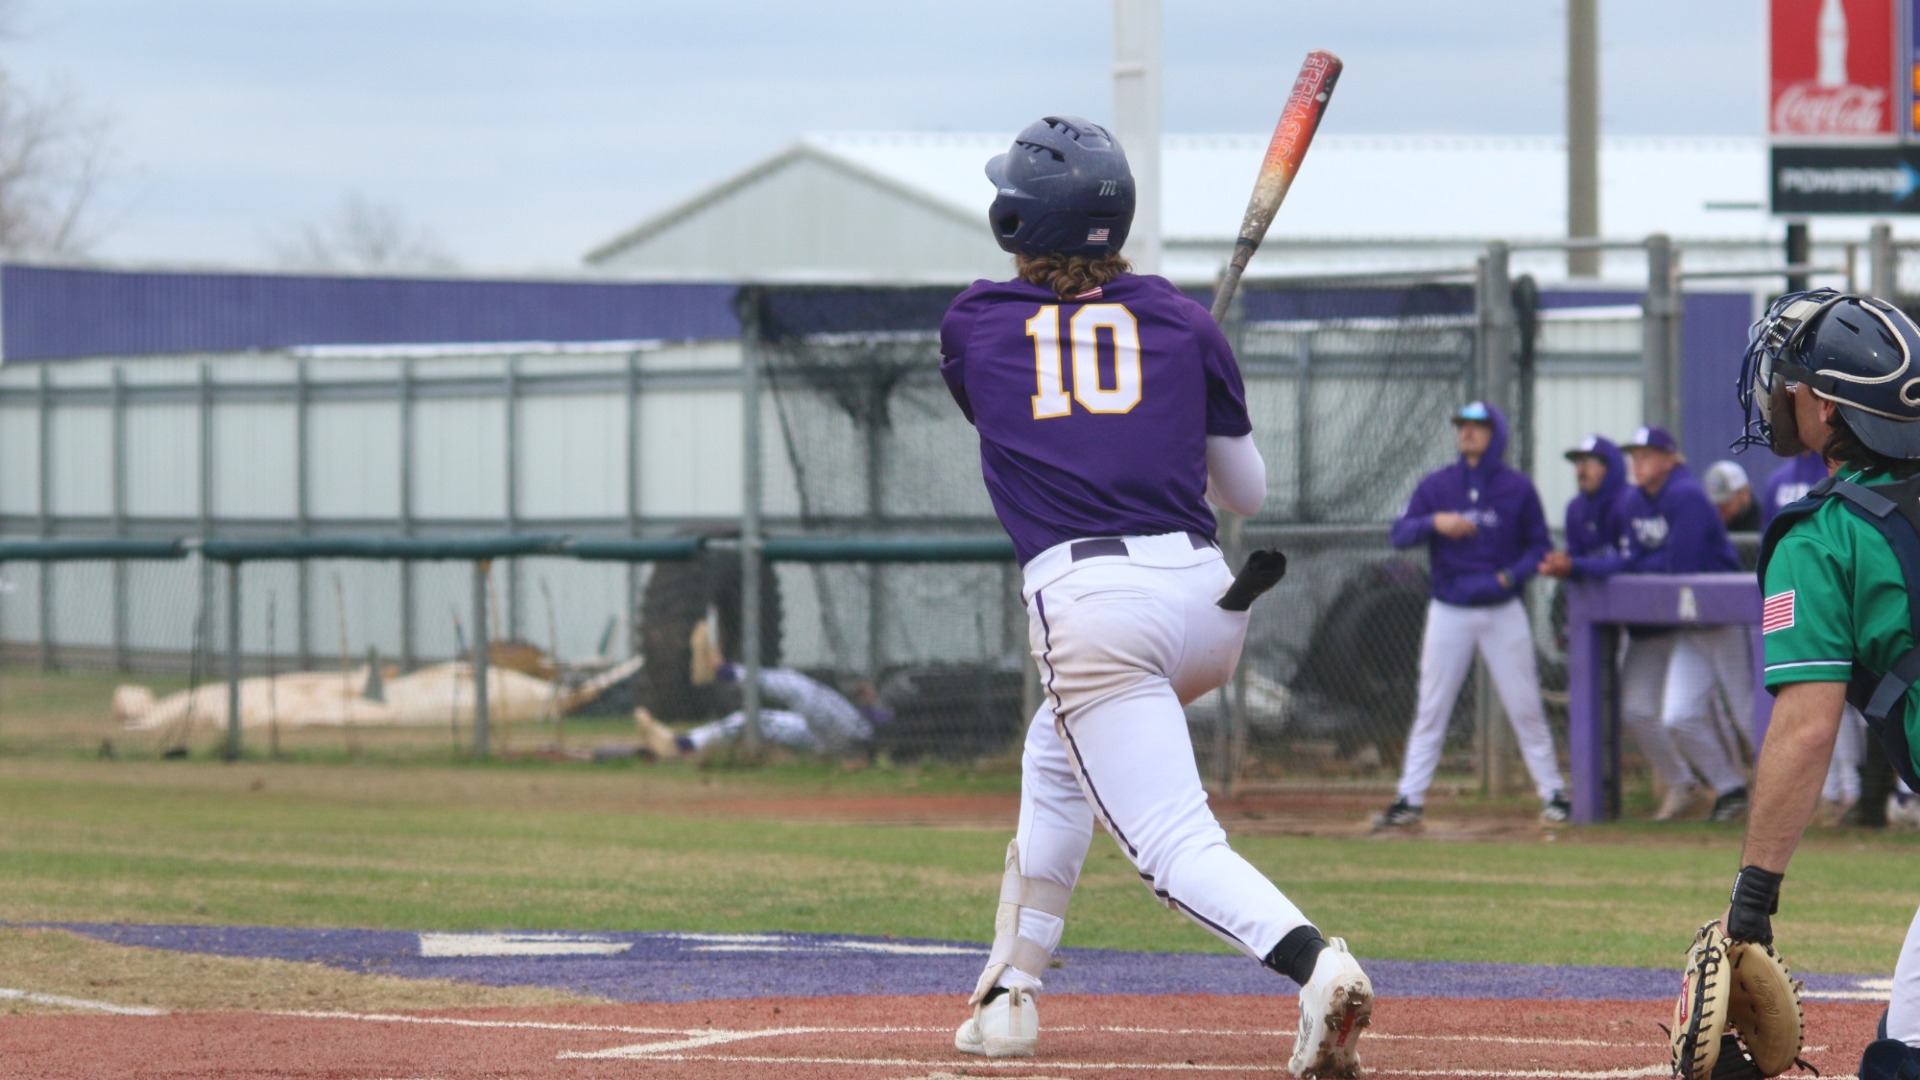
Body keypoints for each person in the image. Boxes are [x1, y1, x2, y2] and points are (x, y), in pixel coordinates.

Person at [937, 115, 1371, 1078]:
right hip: (1204, 603)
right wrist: (1184, 365)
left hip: (1094, 605)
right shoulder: (1183, 321)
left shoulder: (973, 322)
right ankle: (1009, 995)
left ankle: (1316, 963)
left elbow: (1030, 412)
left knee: (1172, 844)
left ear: (1016, 219)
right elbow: (1244, 494)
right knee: (1055, 753)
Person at [1713, 288, 1920, 1079]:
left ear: (1828, 410)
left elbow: (1806, 730)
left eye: (1795, 380)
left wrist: (1753, 902)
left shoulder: (1824, 536)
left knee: (1903, 1062)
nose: (1780, 391)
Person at [1374, 401, 1570, 829]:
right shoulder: (1438, 486)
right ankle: (1409, 798)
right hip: (1450, 609)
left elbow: (1539, 547)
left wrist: (1508, 578)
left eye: (1478, 427)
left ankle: (1553, 793)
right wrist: (1435, 522)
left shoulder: (1516, 488)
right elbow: (1399, 533)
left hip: (1502, 609)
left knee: (1525, 706)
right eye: (1463, 426)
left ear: (1494, 433)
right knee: (1432, 707)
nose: (1468, 433)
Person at [1537, 435, 1698, 820]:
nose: (1582, 468)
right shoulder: (1577, 509)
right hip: (1632, 627)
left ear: (1608, 467)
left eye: (1592, 461)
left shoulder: (1629, 501)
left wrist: (1576, 567)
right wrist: (1569, 566)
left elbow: (1623, 562)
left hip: (1679, 619)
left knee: (1696, 710)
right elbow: (1585, 564)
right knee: (1637, 709)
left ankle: (1734, 791)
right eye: (1578, 461)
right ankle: (1684, 784)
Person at [1614, 425, 1754, 823]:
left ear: (1668, 460)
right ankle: (1730, 789)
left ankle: (1813, 790)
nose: (1637, 463)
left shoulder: (1686, 495)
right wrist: (1644, 564)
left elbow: (1681, 565)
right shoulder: (1636, 501)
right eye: (1634, 455)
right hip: (1690, 627)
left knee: (1747, 712)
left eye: (1645, 455)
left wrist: (1643, 564)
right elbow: (1635, 560)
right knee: (1680, 716)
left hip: (1723, 616)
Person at [634, 664, 889, 759]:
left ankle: (720, 672)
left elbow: (893, 722)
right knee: (754, 721)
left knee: (799, 688)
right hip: (840, 732)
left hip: (861, 734)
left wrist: (874, 709)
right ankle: (681, 744)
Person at [1704, 460, 1761, 533]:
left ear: (1745, 493)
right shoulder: (1706, 530)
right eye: (1715, 505)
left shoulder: (1767, 528)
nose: (1719, 510)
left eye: (1725, 503)